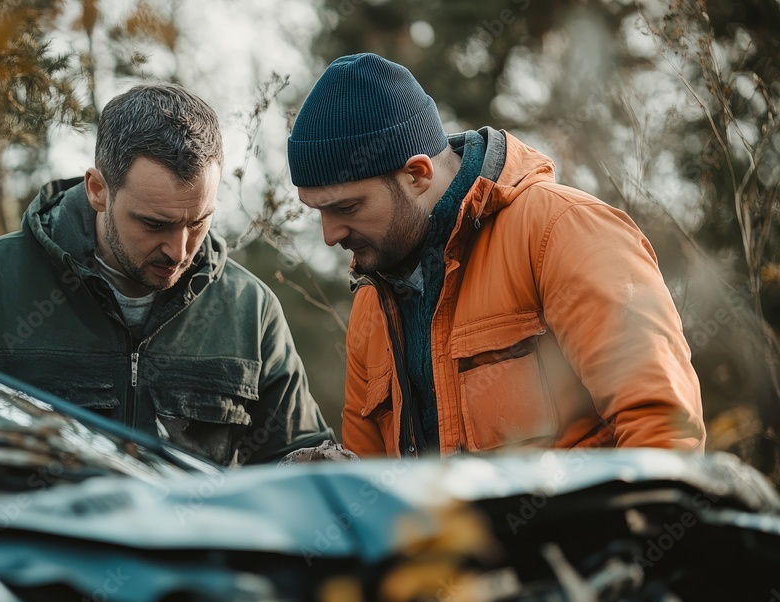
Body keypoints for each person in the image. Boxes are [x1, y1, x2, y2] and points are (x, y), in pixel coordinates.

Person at [287, 53, 705, 457]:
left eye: (347, 207)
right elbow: (367, 486)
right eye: (317, 211)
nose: (329, 235)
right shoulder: (372, 300)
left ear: (417, 174)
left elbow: (662, 425)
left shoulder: (563, 231)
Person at [0, 83, 335, 466]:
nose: (179, 251)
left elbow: (302, 473)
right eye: (155, 224)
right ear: (97, 190)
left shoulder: (252, 310)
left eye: (197, 222)